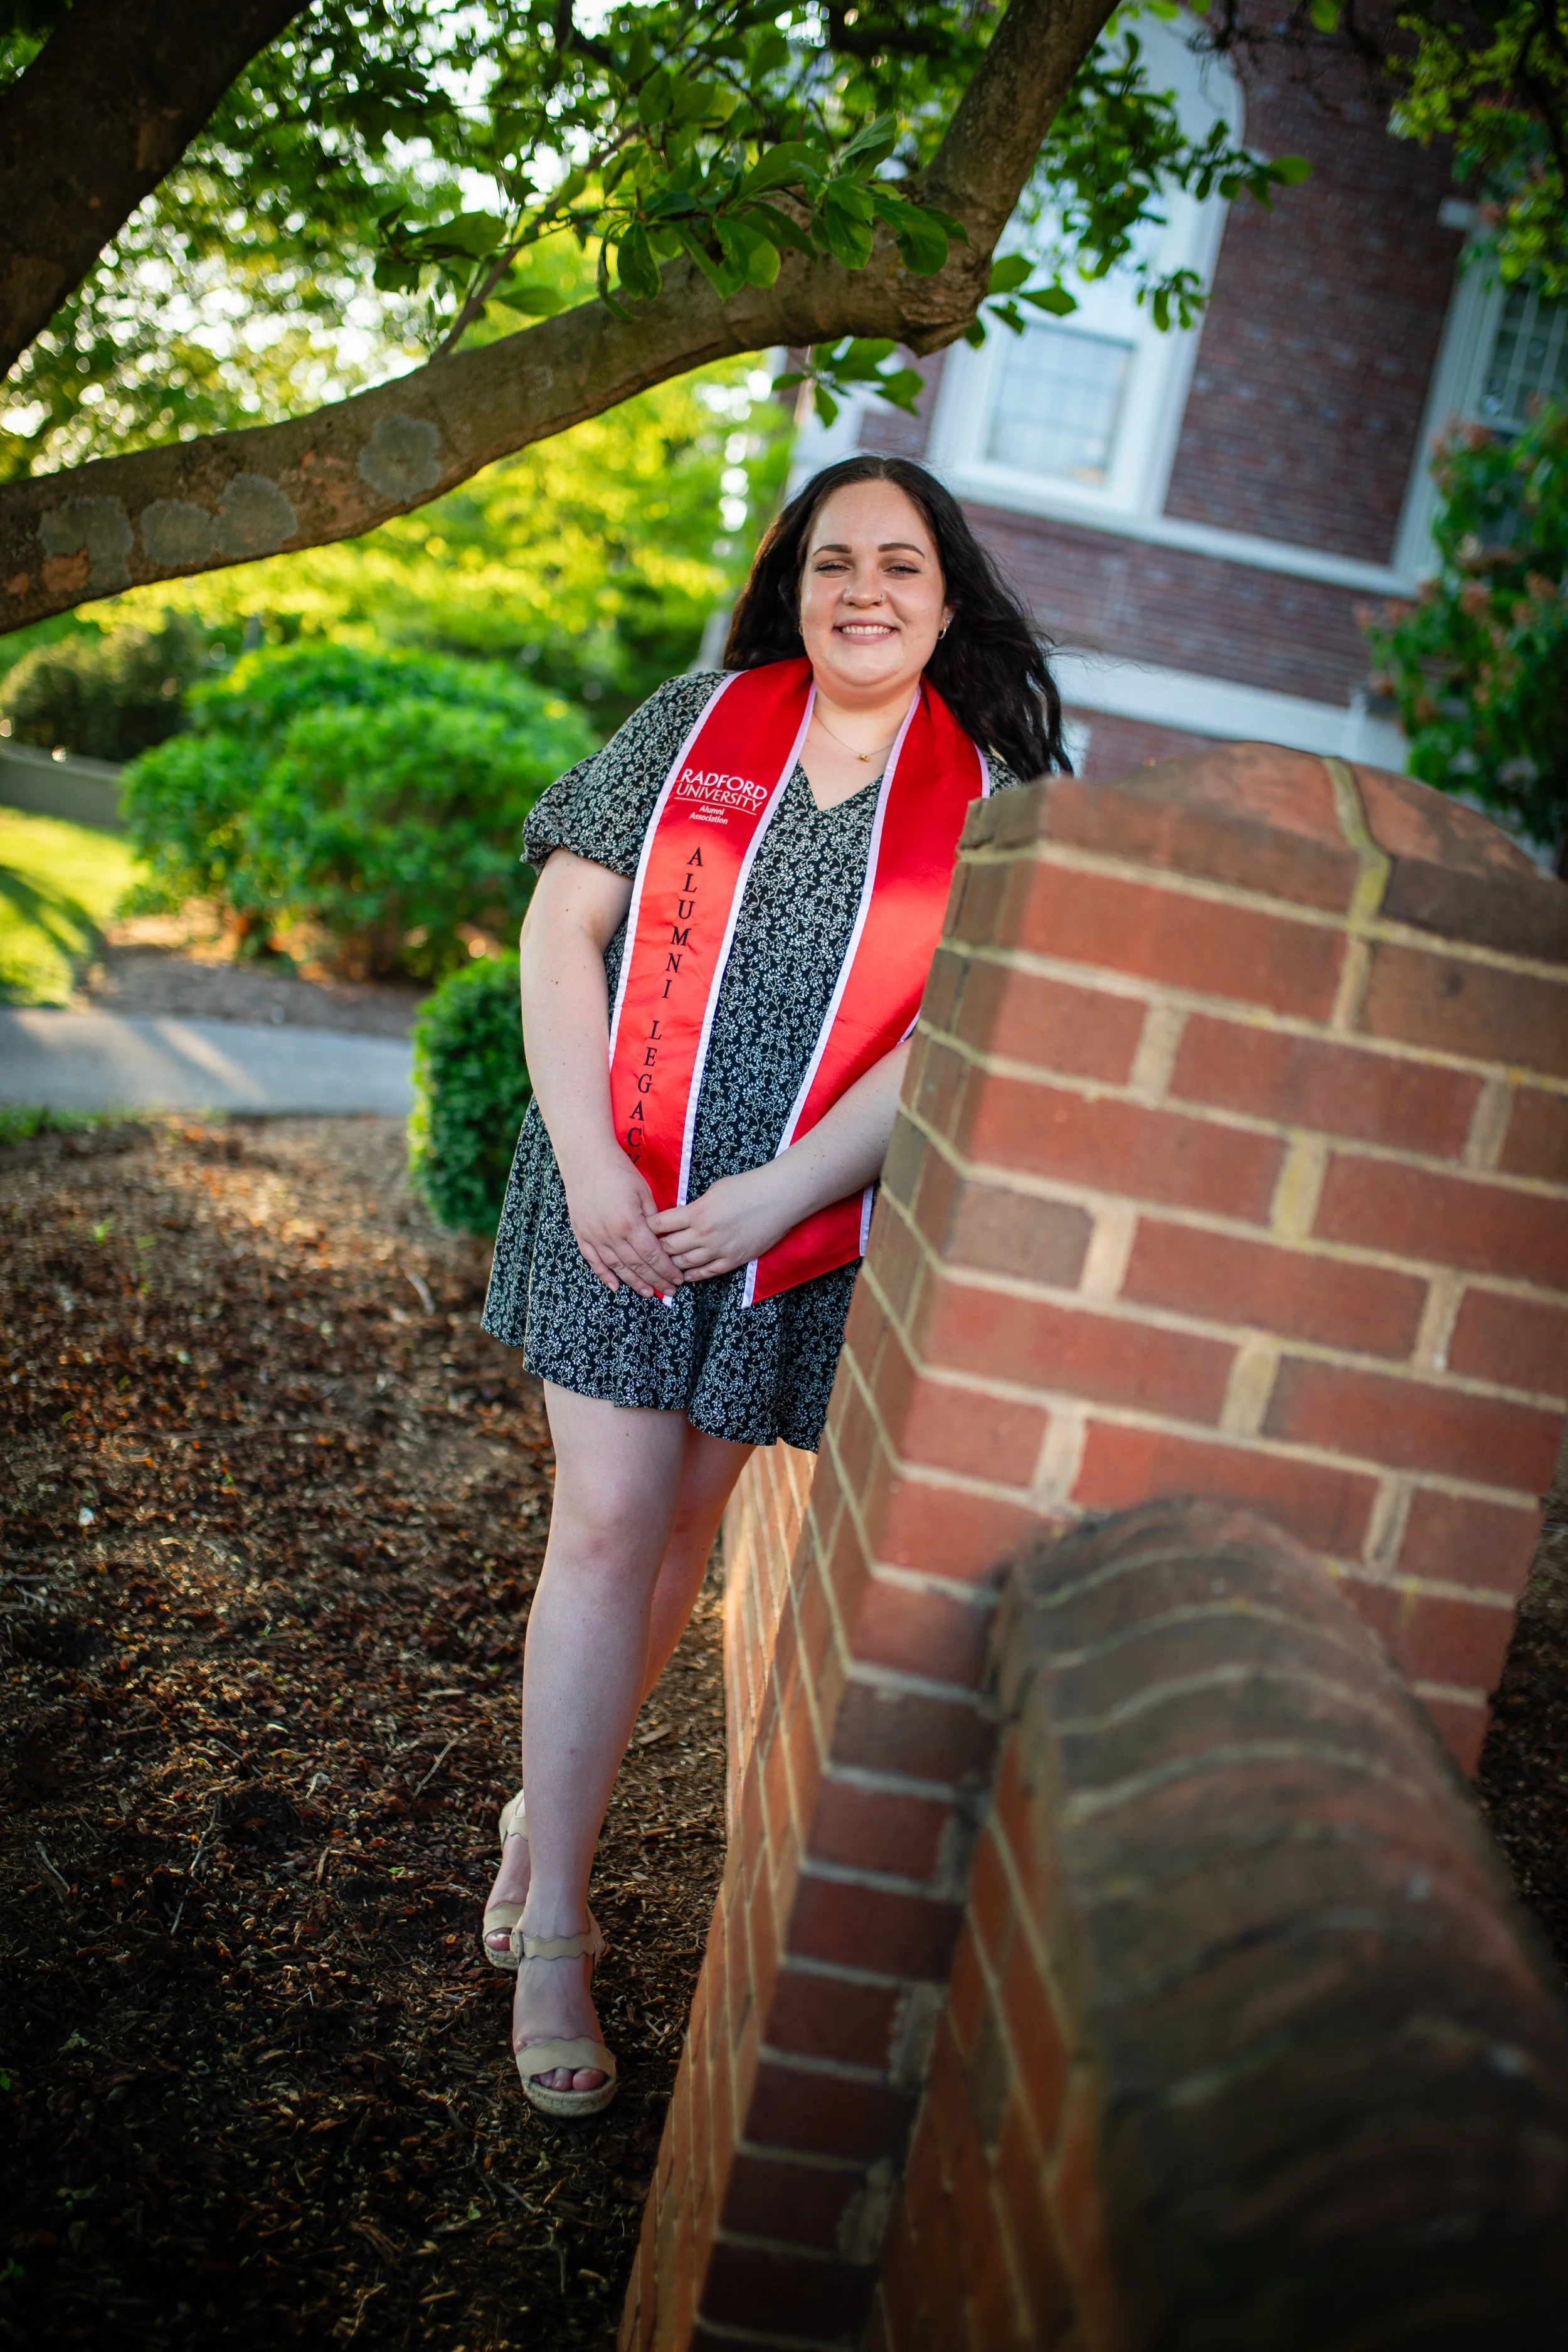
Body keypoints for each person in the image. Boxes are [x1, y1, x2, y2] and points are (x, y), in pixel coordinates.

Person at [479, 452, 1067, 2117]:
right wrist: (596, 1164)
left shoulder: (995, 801)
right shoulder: (695, 722)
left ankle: (548, 1806)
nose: (859, 591)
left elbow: (943, 1033)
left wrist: (777, 1197)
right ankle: (559, 1928)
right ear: (791, 584)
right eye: (829, 564)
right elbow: (555, 935)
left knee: (679, 1531)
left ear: (947, 597)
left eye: (895, 563)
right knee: (604, 1516)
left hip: (785, 1238)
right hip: (618, 1198)